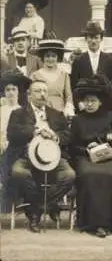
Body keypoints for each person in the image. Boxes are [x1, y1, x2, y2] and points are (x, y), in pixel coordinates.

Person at [70, 75, 112, 238]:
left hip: (108, 156)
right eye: (86, 101)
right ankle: (95, 223)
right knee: (90, 175)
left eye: (93, 100)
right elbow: (71, 146)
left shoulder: (109, 116)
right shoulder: (77, 120)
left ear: (100, 101)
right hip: (85, 158)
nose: (89, 104)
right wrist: (86, 149)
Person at [8, 80, 75, 233]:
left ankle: (36, 210)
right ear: (29, 95)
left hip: (54, 158)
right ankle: (46, 208)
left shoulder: (56, 114)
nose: (42, 94)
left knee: (69, 175)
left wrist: (55, 135)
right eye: (38, 91)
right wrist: (34, 131)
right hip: (27, 157)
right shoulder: (18, 113)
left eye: (45, 91)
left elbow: (67, 136)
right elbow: (12, 135)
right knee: (18, 172)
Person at [0, 70, 31, 208]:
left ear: (19, 92)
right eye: (8, 89)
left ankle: (9, 200)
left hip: (15, 148)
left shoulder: (23, 111)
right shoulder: (1, 109)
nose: (11, 92)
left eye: (14, 89)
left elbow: (23, 134)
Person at [70, 21, 112, 94]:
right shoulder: (78, 60)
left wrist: (103, 87)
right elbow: (74, 84)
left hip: (105, 100)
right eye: (90, 37)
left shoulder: (111, 60)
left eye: (96, 38)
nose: (93, 41)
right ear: (86, 39)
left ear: (101, 39)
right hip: (84, 101)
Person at [30, 40, 74, 118]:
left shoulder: (64, 75)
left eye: (53, 56)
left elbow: (68, 96)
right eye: (47, 56)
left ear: (58, 57)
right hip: (41, 112)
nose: (50, 59)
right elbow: (31, 96)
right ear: (42, 57)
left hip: (60, 112)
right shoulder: (35, 75)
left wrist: (68, 110)